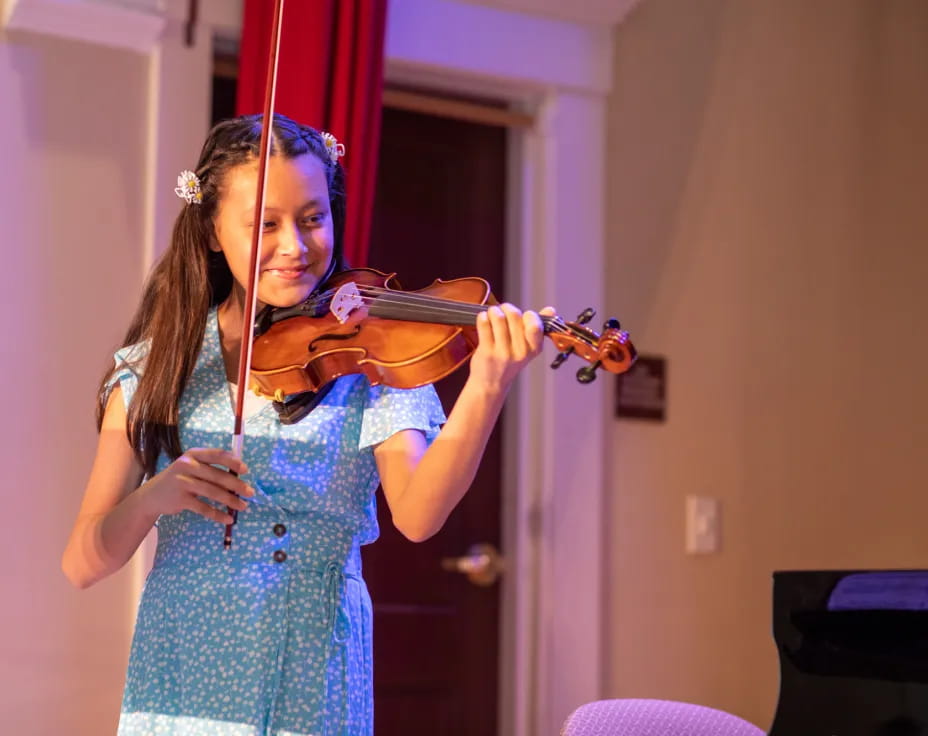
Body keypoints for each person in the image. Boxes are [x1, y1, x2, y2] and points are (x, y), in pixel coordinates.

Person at [61, 113, 548, 736]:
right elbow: (83, 562)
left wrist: (488, 384)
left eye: (313, 218)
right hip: (184, 669)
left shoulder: (372, 353)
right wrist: (156, 495)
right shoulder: (154, 369)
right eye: (265, 224)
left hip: (316, 667)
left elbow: (419, 515)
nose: (294, 246)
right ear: (212, 232)